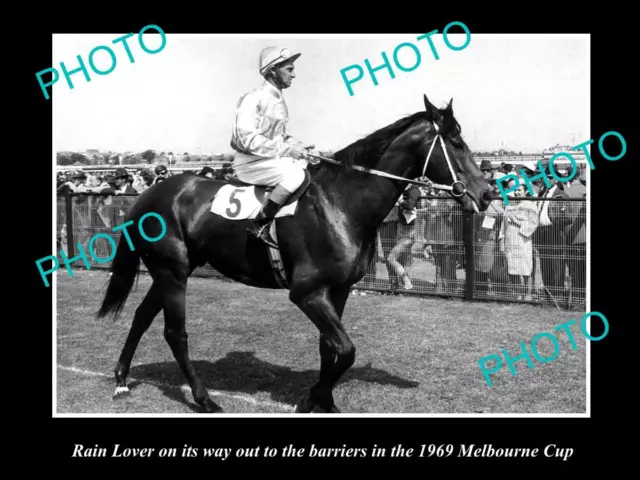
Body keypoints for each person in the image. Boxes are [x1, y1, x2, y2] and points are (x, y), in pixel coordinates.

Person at [230, 46, 318, 248]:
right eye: (289, 69)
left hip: (269, 159)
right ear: (272, 70)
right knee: (296, 175)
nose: (294, 74)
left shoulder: (277, 99)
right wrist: (288, 150)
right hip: (250, 163)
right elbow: (245, 138)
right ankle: (260, 224)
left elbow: (280, 136)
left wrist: (300, 147)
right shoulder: (252, 98)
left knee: (308, 166)